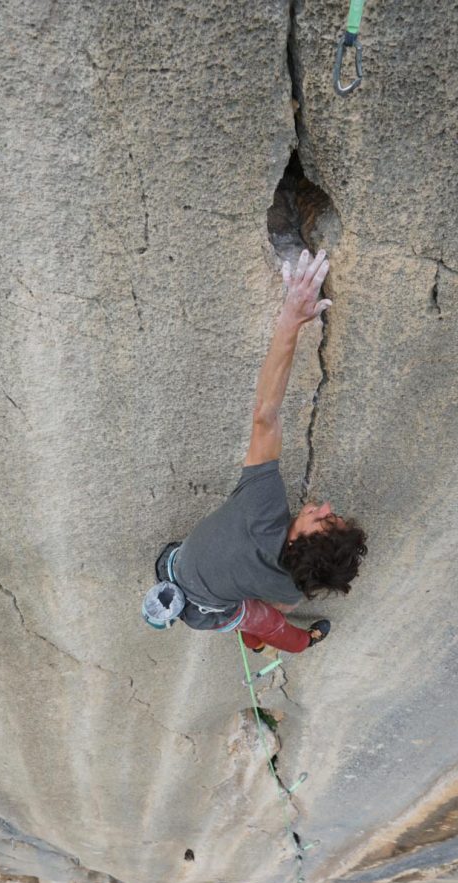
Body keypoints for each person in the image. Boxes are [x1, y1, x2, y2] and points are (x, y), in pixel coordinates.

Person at [155, 248, 367, 654]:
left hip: (188, 583)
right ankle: (264, 641)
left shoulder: (261, 510)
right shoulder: (292, 582)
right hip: (204, 599)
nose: (323, 506)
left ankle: (302, 643)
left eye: (323, 521)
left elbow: (265, 416)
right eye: (332, 515)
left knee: (269, 621)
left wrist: (292, 317)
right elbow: (291, 591)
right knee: (270, 614)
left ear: (295, 545)